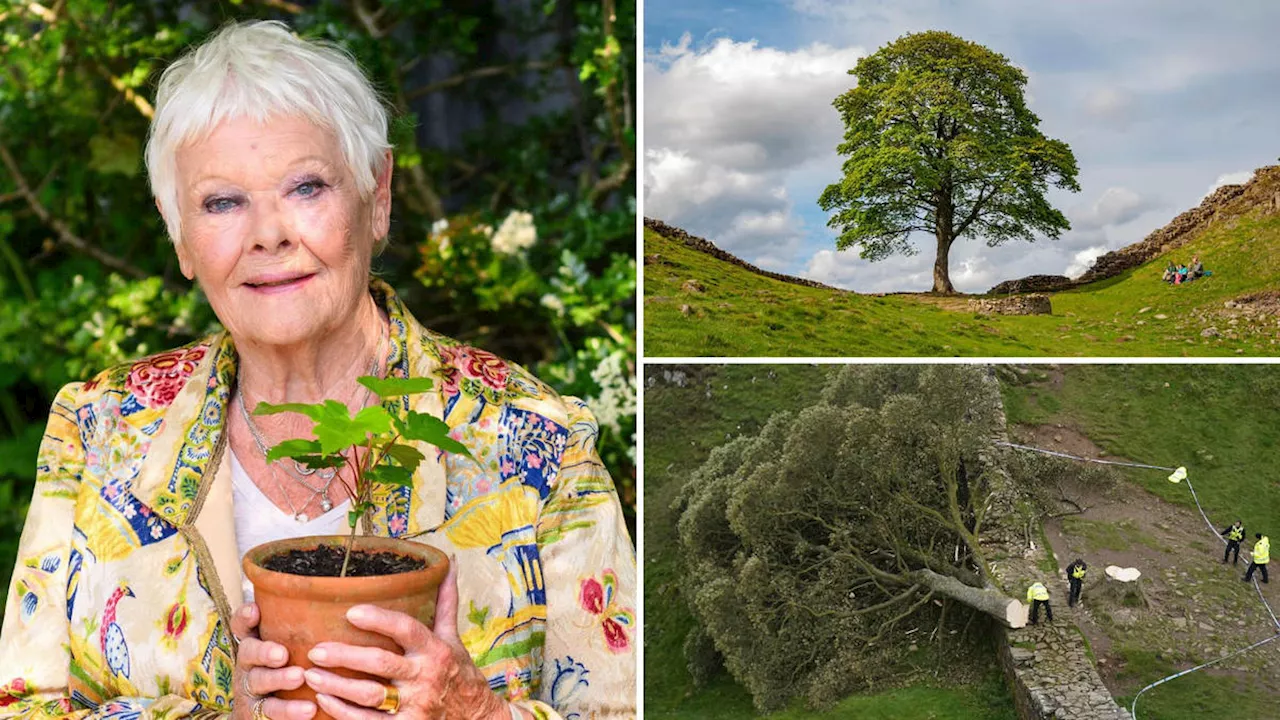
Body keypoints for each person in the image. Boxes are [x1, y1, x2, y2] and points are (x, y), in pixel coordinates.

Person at [0, 21, 634, 720]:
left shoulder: (535, 440)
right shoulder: (98, 431)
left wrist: (475, 714)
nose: (269, 233)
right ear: (178, 232)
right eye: (221, 202)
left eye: (305, 187)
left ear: (378, 195)